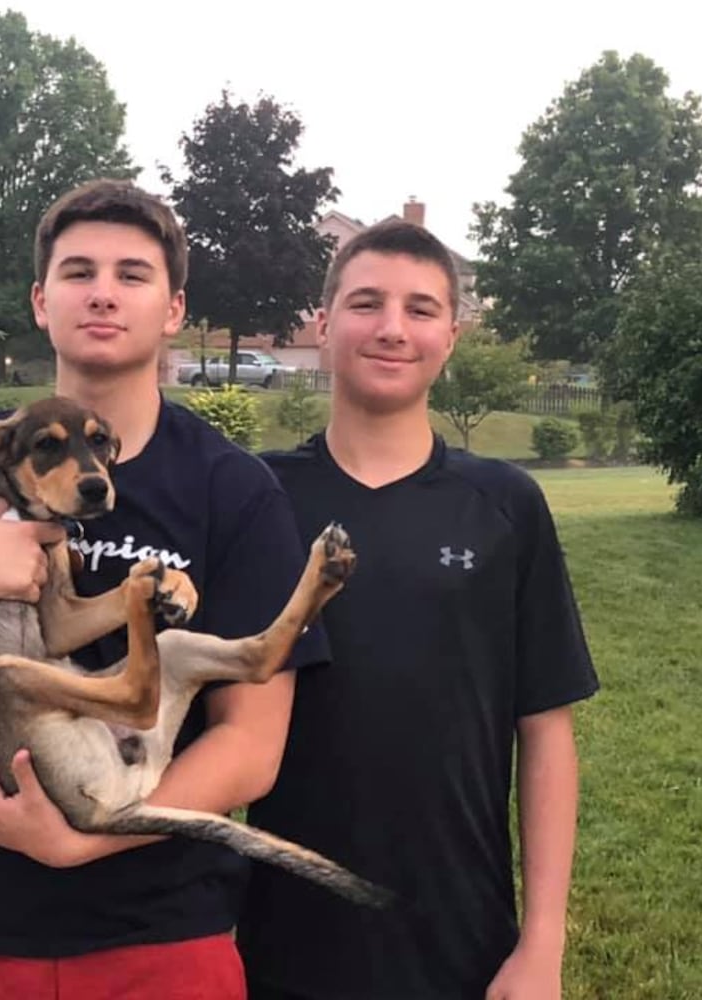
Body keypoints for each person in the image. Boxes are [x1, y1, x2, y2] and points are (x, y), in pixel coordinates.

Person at [0, 178, 328, 1000]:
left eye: (131, 274)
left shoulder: (232, 488)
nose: (101, 292)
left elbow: (249, 747)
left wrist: (84, 840)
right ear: (40, 300)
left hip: (161, 939)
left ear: (171, 310)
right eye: (77, 271)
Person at [237, 220, 600, 999]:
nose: (392, 328)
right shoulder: (255, 498)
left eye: (420, 309)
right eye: (367, 303)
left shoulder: (503, 505)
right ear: (326, 324)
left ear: (452, 336)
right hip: (276, 931)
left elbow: (544, 732)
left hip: (458, 933)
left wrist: (542, 945)